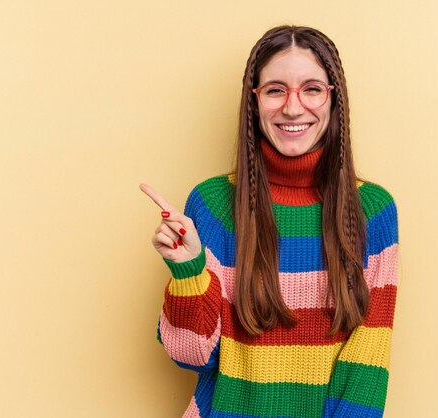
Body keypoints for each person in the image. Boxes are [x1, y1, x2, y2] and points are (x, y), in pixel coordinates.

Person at [140, 25, 399, 418]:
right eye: (276, 90)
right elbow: (192, 356)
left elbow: (368, 362)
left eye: (311, 89)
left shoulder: (372, 210)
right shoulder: (213, 205)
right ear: (255, 100)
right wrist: (188, 272)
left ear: (333, 99)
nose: (293, 108)